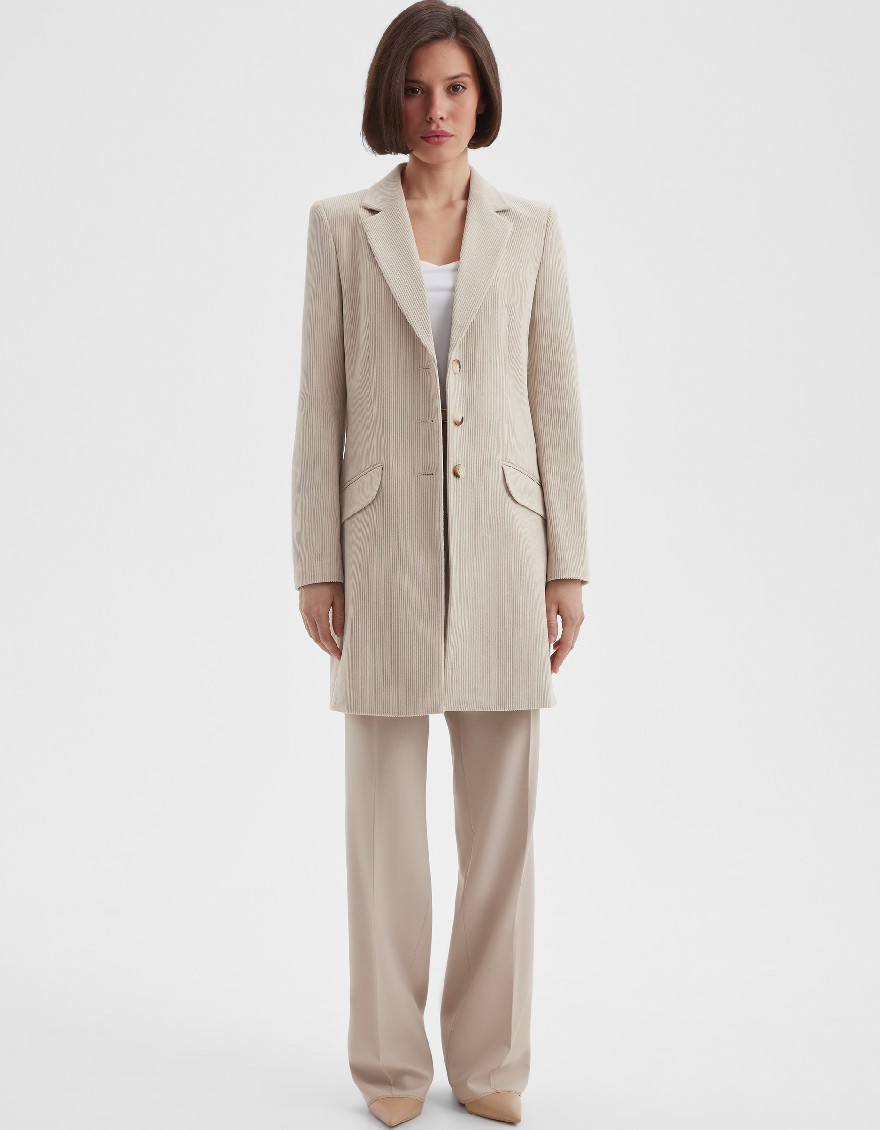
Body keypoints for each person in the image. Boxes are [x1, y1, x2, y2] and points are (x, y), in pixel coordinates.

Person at [291, 2, 590, 1124]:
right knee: (385, 839)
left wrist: (568, 565)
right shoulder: (340, 226)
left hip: (509, 552)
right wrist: (315, 559)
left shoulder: (532, 228)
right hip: (381, 552)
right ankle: (389, 1068)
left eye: (456, 87)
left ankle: (491, 1060)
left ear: (483, 96)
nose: (436, 109)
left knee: (501, 834)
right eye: (417, 89)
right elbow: (319, 404)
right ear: (391, 98)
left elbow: (555, 402)